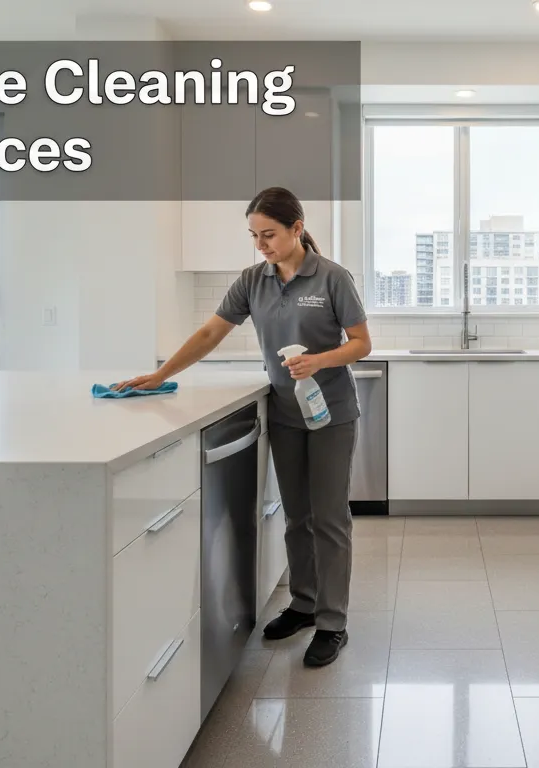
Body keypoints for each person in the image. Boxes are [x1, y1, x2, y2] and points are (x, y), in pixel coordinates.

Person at [114, 186, 372, 668]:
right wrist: (160, 374)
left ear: (297, 228)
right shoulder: (253, 281)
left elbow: (361, 343)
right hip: (285, 412)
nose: (261, 245)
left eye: (269, 234)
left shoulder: (332, 277)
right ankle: (303, 604)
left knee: (330, 518)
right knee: (298, 515)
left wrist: (319, 360)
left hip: (332, 413)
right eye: (254, 236)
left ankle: (333, 623)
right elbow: (212, 332)